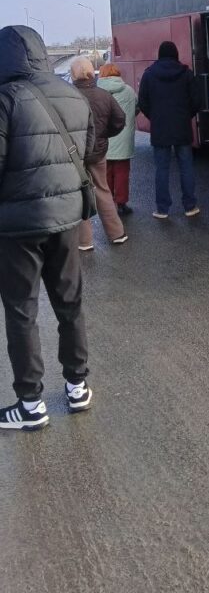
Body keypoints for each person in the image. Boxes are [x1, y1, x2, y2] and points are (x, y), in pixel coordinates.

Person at [0, 26, 95, 430]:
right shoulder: (72, 95)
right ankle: (77, 387)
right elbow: (89, 149)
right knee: (69, 302)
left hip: (18, 226)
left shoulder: (5, 99)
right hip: (67, 217)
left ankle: (31, 404)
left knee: (22, 310)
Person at [138, 41, 201, 219]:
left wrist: (155, 117)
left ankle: (162, 209)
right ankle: (190, 206)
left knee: (162, 169)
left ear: (159, 55)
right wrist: (185, 115)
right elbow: (196, 100)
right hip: (182, 127)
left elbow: (142, 101)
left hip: (160, 128)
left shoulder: (149, 74)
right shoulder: (186, 74)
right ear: (175, 54)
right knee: (186, 167)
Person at [70, 57, 128, 251]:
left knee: (80, 193)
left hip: (75, 154)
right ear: (91, 72)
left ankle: (84, 241)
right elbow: (120, 119)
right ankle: (117, 233)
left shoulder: (68, 96)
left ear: (73, 75)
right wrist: (104, 135)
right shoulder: (104, 95)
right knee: (103, 190)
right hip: (99, 151)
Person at [97, 63, 138, 215]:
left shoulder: (97, 92)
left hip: (104, 138)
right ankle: (121, 204)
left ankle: (107, 203)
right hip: (123, 137)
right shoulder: (128, 91)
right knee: (122, 172)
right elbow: (136, 108)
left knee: (106, 172)